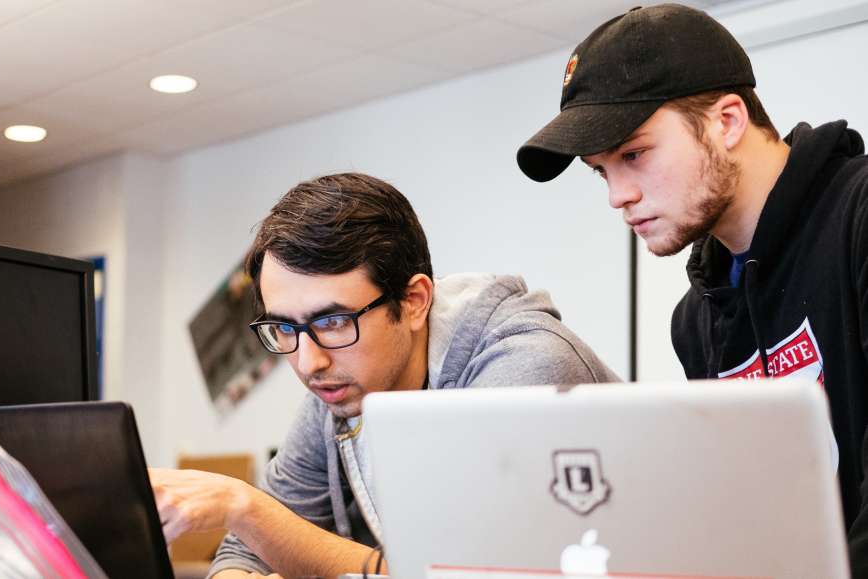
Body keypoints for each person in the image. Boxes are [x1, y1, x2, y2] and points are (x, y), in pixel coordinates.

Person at [516, 4, 868, 574]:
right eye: (602, 170)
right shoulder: (696, 320)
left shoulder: (859, 220)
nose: (617, 196)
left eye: (633, 154)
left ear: (726, 121)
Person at [150, 172, 617, 578]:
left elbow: (458, 573)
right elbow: (245, 549)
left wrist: (244, 507)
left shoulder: (525, 369)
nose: (309, 363)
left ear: (413, 302)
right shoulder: (336, 392)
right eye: (284, 328)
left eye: (333, 322)